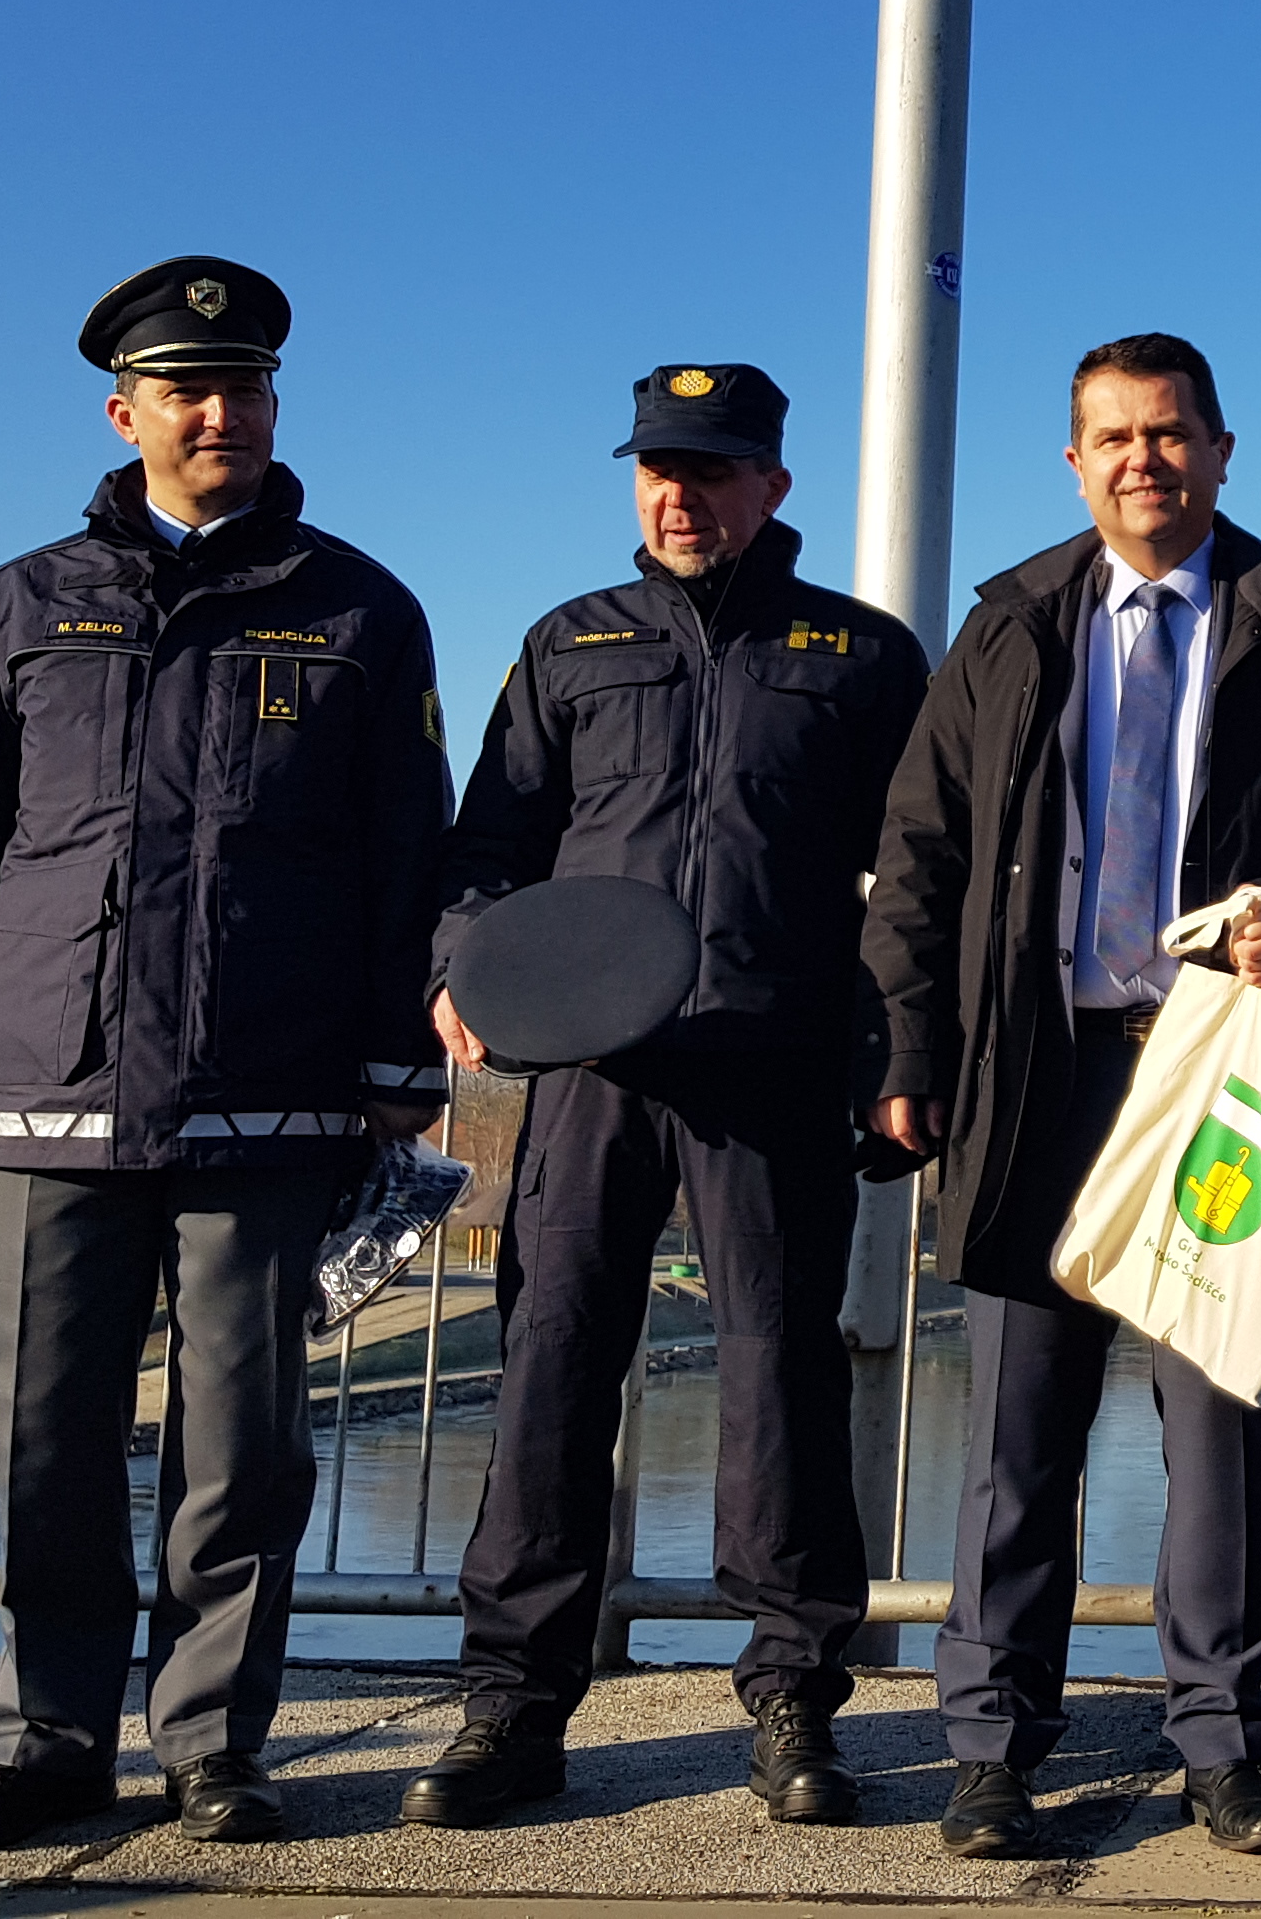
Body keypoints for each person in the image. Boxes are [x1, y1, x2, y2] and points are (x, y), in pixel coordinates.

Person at [0, 256, 450, 1850]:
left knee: (244, 1452)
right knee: (52, 1436)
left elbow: (411, 854)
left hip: (270, 1091)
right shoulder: (20, 601)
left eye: (248, 386)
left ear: (275, 406)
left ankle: (215, 1744)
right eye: (189, 389)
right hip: (54, 1092)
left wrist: (399, 1062)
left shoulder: (360, 607)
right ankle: (47, 1738)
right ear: (125, 409)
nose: (222, 413)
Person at [860, 333, 1261, 1860]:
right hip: (1038, 1075)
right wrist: (912, 1055)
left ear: (1224, 450)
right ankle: (991, 1753)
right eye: (1111, 438)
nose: (1141, 463)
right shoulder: (1009, 628)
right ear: (1073, 458)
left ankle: (1224, 1749)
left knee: (1218, 1432)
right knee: (1017, 1439)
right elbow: (919, 859)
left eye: (1169, 436)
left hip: (1217, 1081)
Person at [398, 364, 928, 1830]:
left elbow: (916, 885)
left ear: (774, 484)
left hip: (771, 1070)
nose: (678, 495)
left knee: (779, 1386)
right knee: (553, 1377)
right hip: (590, 1076)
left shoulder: (863, 654)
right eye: (655, 469)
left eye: (709, 469)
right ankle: (510, 1710)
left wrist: (895, 1058)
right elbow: (487, 847)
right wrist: (464, 969)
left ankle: (795, 1706)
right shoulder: (571, 644)